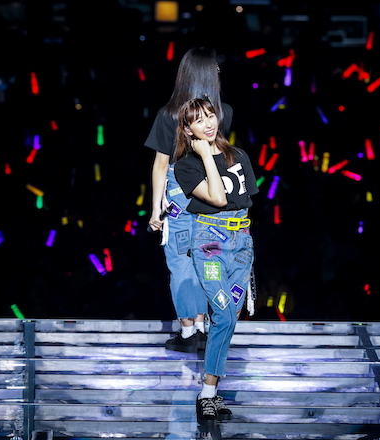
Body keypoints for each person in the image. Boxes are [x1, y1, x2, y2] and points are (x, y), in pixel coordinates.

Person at [174, 98, 258, 425]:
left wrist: (246, 249)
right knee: (224, 314)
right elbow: (220, 199)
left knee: (229, 318)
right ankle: (206, 394)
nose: (208, 123)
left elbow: (245, 202)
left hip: (241, 244)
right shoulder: (186, 166)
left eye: (210, 116)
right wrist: (208, 155)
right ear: (188, 129)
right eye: (199, 120)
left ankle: (211, 392)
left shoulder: (239, 155)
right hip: (210, 243)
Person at [145, 47, 233, 352]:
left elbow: (161, 164)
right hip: (210, 192)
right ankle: (202, 327)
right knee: (207, 261)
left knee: (181, 262)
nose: (219, 72)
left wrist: (155, 208)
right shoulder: (222, 113)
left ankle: (188, 332)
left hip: (179, 195)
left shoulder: (169, 114)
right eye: (216, 68)